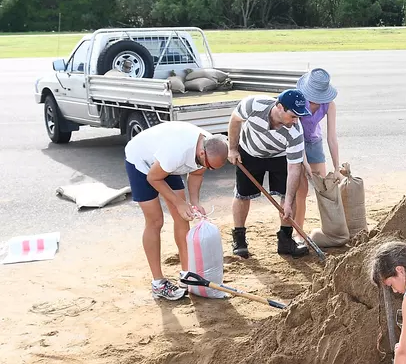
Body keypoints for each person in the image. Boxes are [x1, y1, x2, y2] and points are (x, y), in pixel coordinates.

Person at [124, 121, 229, 300]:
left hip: (168, 166)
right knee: (155, 221)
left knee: (183, 217)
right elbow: (153, 178)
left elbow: (196, 174)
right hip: (142, 163)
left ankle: (187, 275)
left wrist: (194, 202)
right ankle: (158, 283)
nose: (208, 169)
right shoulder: (176, 152)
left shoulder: (207, 147)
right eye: (209, 166)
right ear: (202, 153)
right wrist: (180, 203)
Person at [227, 89, 311, 259]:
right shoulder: (253, 105)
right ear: (279, 107)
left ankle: (285, 241)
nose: (296, 121)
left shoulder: (296, 132)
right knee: (243, 195)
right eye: (293, 116)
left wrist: (287, 203)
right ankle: (240, 239)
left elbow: (294, 168)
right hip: (249, 152)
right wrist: (232, 148)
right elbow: (235, 121)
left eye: (299, 117)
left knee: (289, 196)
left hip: (279, 157)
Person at [293, 68, 341, 237]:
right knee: (301, 189)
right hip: (296, 143)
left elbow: (332, 137)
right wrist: (304, 164)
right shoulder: (298, 102)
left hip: (314, 142)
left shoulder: (329, 104)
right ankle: (298, 232)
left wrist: (337, 167)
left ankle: (330, 229)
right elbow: (296, 136)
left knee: (324, 187)